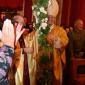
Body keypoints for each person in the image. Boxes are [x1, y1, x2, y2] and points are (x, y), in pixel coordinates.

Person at [9, 15, 38, 85]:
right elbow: (7, 52)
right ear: (15, 23)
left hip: (22, 67)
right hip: (13, 69)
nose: (23, 26)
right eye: (22, 23)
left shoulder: (20, 34)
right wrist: (23, 50)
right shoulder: (8, 34)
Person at [47, 0, 68, 85]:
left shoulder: (60, 30)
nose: (51, 19)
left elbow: (65, 41)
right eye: (49, 17)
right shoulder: (41, 30)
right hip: (42, 60)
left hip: (55, 59)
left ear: (56, 18)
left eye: (53, 17)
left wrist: (56, 39)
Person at [0, 18, 25, 85]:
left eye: (22, 23)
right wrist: (9, 48)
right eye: (19, 22)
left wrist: (13, 44)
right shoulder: (4, 35)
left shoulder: (17, 34)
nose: (21, 25)